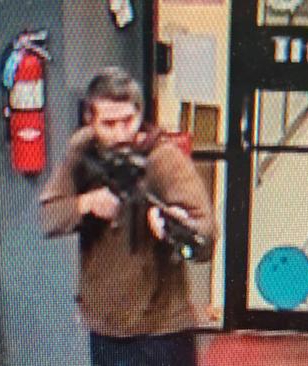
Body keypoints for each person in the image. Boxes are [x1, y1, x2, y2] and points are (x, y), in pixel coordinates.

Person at [39, 67, 217, 366]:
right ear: (89, 120)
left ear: (140, 114)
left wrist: (176, 227)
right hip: (107, 328)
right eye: (109, 124)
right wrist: (85, 203)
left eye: (128, 121)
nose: (121, 133)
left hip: (160, 331)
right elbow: (49, 217)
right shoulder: (82, 151)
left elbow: (206, 233)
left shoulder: (163, 159)